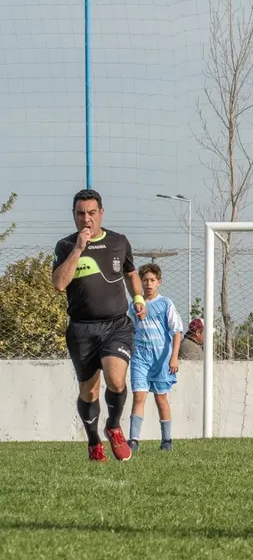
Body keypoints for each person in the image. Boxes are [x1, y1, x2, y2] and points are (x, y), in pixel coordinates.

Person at [51, 189, 145, 462]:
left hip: (116, 325)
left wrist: (138, 297)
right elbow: (59, 284)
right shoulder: (65, 246)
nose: (86, 219)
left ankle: (114, 427)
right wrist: (80, 248)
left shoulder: (119, 241)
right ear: (74, 216)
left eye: (91, 213)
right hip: (81, 329)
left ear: (101, 213)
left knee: (116, 380)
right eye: (80, 213)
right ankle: (94, 441)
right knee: (89, 391)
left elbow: (131, 274)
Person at [127, 264, 184, 453]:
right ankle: (133, 440)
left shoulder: (165, 304)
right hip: (140, 358)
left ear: (159, 282)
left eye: (152, 280)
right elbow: (130, 329)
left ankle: (166, 440)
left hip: (161, 358)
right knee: (139, 396)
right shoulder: (134, 305)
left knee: (161, 399)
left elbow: (177, 331)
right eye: (145, 280)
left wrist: (174, 357)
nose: (148, 284)